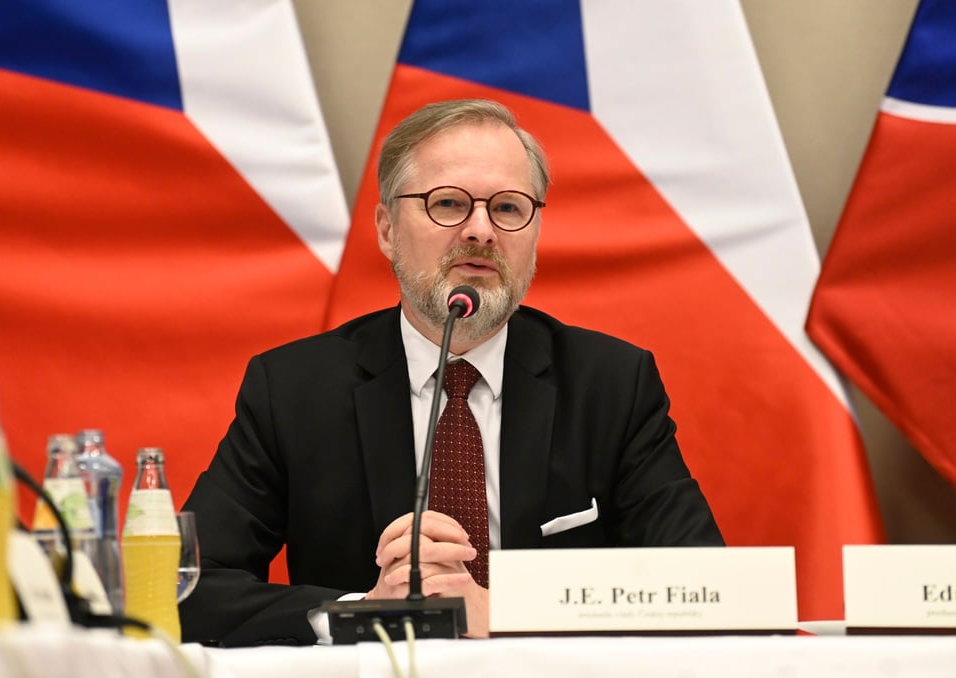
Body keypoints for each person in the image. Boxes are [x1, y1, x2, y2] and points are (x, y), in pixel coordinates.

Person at [180, 98, 724, 647]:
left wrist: (507, 609)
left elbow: (706, 587)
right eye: (448, 203)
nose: (482, 230)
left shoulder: (610, 384)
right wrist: (363, 614)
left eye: (509, 208)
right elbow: (187, 589)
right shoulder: (295, 389)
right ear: (388, 229)